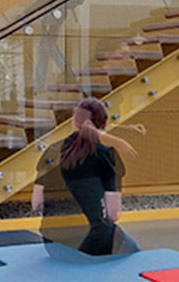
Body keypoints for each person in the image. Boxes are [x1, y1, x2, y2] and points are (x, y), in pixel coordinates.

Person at [30, 98, 146, 257]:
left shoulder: (51, 151)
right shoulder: (106, 155)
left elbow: (36, 205)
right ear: (104, 126)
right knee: (134, 253)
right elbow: (113, 215)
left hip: (52, 246)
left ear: (73, 122)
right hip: (89, 246)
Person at [32, 0, 81, 94]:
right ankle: (39, 85)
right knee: (44, 48)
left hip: (57, 12)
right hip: (47, 11)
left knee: (46, 46)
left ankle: (63, 75)